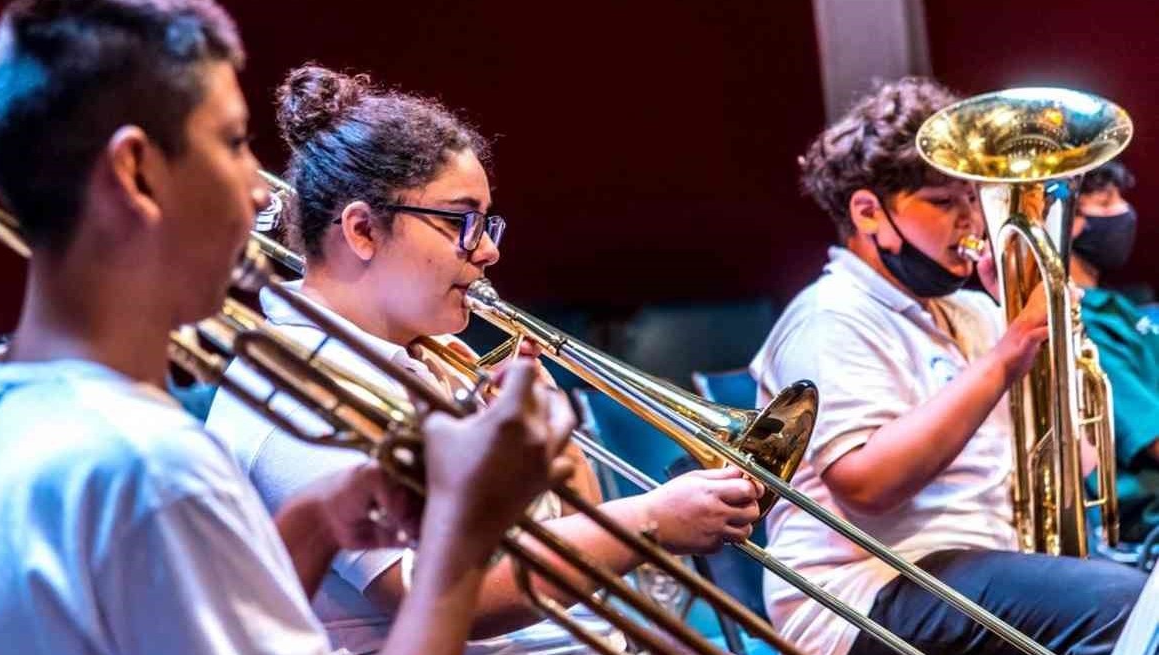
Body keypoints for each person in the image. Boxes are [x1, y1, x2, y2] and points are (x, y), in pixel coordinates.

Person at [0, 2, 573, 655]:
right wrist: (461, 531)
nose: (260, 192)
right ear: (135, 172)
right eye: (231, 144)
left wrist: (316, 524)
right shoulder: (152, 470)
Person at [204, 63, 765, 654]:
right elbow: (437, 598)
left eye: (487, 222)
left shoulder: (430, 358)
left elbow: (563, 554)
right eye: (462, 222)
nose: (488, 250)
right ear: (364, 230)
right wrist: (648, 522)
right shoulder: (295, 385)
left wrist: (561, 457)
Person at [750, 76, 1147, 655]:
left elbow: (1082, 458)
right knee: (1120, 607)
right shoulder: (829, 316)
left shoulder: (972, 312)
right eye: (942, 203)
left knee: (1140, 605)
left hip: (975, 566)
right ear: (869, 213)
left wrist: (1043, 331)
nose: (970, 221)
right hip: (863, 592)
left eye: (970, 200)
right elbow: (867, 485)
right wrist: (1008, 353)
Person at [1069, 161, 1159, 547]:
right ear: (1069, 222)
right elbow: (1151, 437)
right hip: (1147, 522)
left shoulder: (1117, 306)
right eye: (1106, 203)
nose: (1125, 213)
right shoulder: (1079, 321)